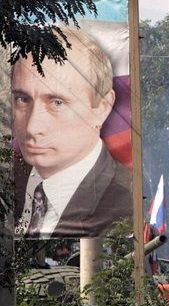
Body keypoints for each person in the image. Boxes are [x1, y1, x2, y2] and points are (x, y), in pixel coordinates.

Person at [12, 26, 132, 238]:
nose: (32, 127)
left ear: (102, 108)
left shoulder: (125, 207)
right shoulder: (9, 182)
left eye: (57, 102)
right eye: (23, 99)